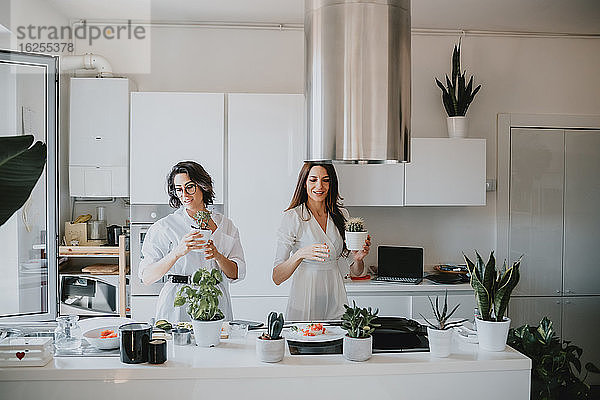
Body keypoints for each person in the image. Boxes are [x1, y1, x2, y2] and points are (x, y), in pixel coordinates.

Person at [139, 161, 246, 322]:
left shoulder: (226, 226)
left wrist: (217, 256)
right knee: (179, 346)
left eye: (189, 187)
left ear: (203, 185)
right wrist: (177, 252)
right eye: (179, 189)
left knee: (219, 346)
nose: (184, 194)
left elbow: (236, 273)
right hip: (178, 302)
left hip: (213, 299)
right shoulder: (165, 227)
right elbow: (146, 277)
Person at [272, 162, 371, 320]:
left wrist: (358, 260)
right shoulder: (293, 217)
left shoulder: (342, 215)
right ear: (304, 183)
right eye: (313, 180)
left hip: (335, 298)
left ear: (332, 183)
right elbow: (277, 277)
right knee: (305, 341)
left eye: (325, 180)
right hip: (304, 300)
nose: (320, 186)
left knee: (337, 341)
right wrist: (300, 254)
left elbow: (356, 272)